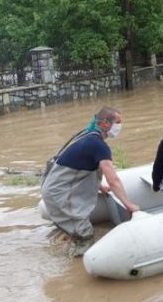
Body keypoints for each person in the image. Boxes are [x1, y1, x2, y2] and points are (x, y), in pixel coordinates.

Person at [41, 106, 139, 247]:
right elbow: (114, 180)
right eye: (118, 122)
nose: (119, 126)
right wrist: (129, 205)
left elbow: (81, 167)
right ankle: (79, 262)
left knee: (75, 232)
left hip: (52, 189)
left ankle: (68, 243)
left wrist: (99, 187)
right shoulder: (99, 145)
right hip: (60, 195)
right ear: (106, 123)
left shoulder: (88, 135)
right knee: (85, 236)